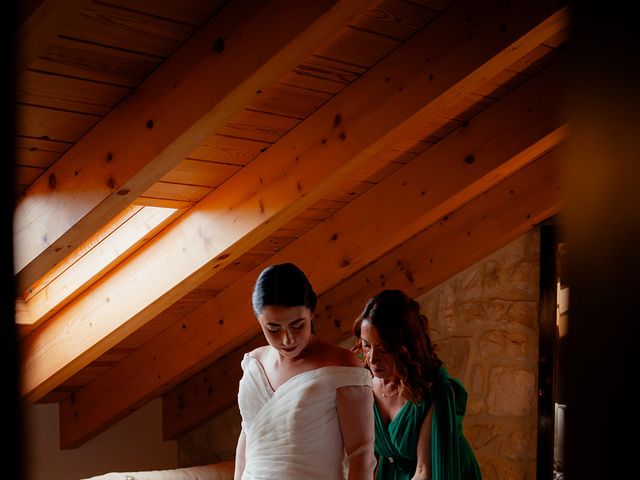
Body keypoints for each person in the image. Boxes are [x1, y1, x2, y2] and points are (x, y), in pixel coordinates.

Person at [234, 262, 377, 480]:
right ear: (259, 320)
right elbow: (247, 435)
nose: (287, 338)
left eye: (297, 325)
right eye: (273, 328)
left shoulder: (341, 365)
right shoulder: (254, 362)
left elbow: (362, 454)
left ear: (310, 312)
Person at [352, 290, 482, 480]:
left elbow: (425, 472)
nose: (372, 358)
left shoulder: (433, 391)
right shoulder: (364, 388)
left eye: (383, 349)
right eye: (366, 345)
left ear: (405, 347)